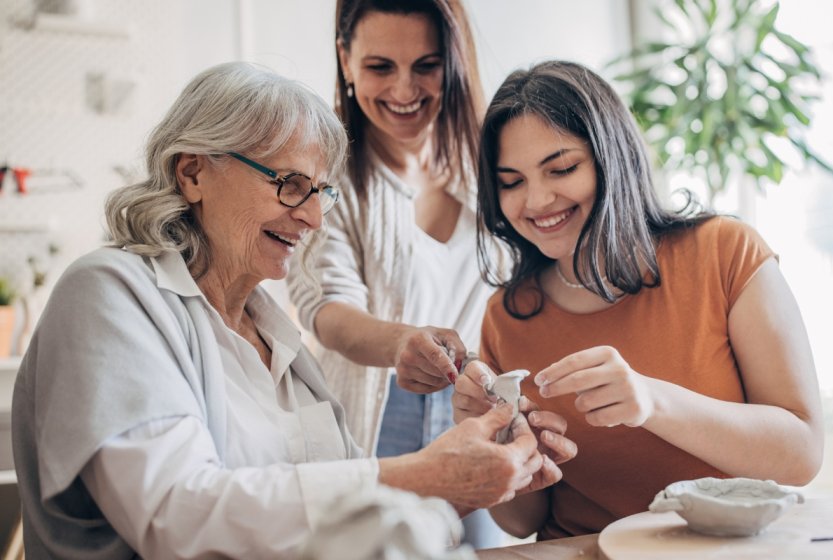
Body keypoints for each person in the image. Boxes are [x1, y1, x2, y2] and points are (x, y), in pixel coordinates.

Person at [11, 62, 576, 559]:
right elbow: (175, 517)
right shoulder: (106, 293)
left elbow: (357, 516)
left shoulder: (274, 333)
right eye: (290, 185)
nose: (313, 219)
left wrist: (493, 475)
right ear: (193, 173)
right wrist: (431, 475)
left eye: (321, 192)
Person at [452, 60, 824, 540]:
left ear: (613, 158)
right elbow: (522, 522)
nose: (538, 200)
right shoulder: (508, 315)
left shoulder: (725, 253)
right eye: (511, 182)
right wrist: (493, 435)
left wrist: (653, 400)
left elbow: (802, 454)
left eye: (561, 168)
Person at [287, 0, 506, 547]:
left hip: (476, 410)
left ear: (452, 61)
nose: (405, 90)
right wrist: (404, 343)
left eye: (426, 66)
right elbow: (328, 312)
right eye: (381, 67)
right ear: (345, 59)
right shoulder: (328, 175)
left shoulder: (488, 164)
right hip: (376, 417)